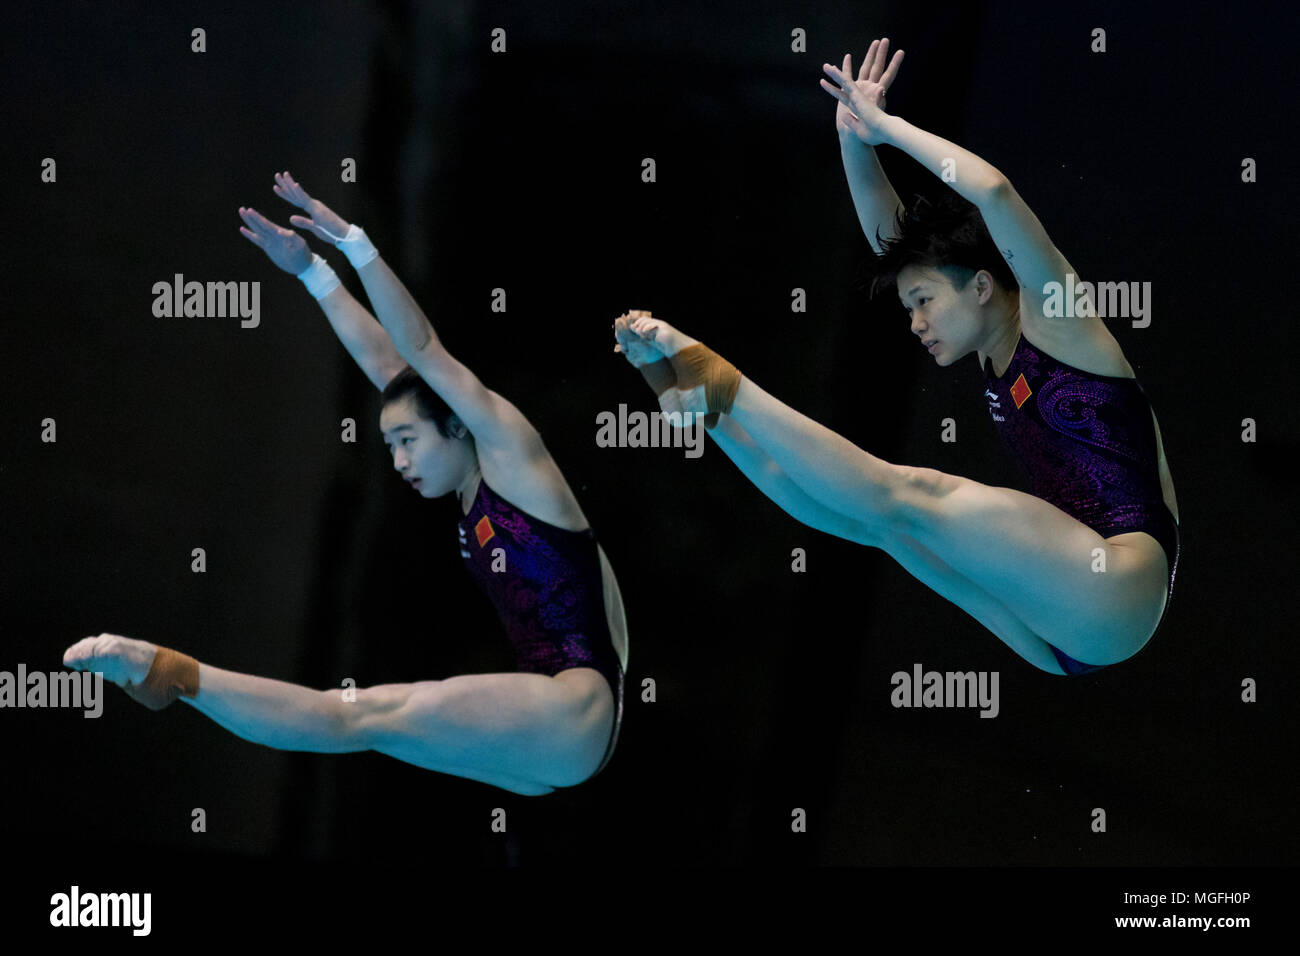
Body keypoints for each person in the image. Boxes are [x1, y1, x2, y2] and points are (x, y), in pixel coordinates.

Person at [613, 38, 1178, 676]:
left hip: (1119, 585)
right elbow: (900, 245)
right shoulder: (989, 338)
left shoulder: (1060, 321)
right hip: (1058, 634)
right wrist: (855, 143)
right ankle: (708, 408)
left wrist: (889, 129)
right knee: (880, 525)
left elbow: (993, 193)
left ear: (983, 284)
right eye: (911, 306)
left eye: (924, 302)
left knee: (909, 494)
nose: (914, 323)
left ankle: (723, 382)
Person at [63, 172, 627, 795]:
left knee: (359, 714)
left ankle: (172, 675)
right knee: (365, 724)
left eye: (407, 442)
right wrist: (312, 273)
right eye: (389, 447)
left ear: (457, 426)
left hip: (576, 709)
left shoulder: (509, 451)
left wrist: (355, 243)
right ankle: (179, 681)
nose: (399, 462)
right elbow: (390, 367)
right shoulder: (464, 467)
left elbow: (421, 350)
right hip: (557, 740)